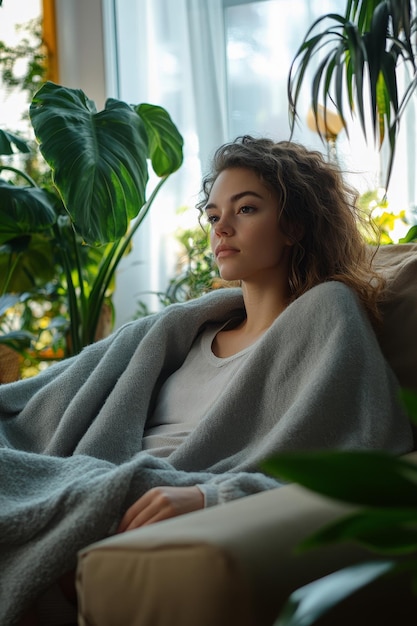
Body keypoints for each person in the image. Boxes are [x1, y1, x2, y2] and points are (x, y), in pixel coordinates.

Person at [1, 136, 413, 626]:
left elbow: (357, 448)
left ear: (295, 224)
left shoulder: (327, 312)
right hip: (91, 473)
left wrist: (210, 496)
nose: (224, 228)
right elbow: (47, 400)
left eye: (247, 209)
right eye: (215, 215)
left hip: (147, 495)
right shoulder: (182, 329)